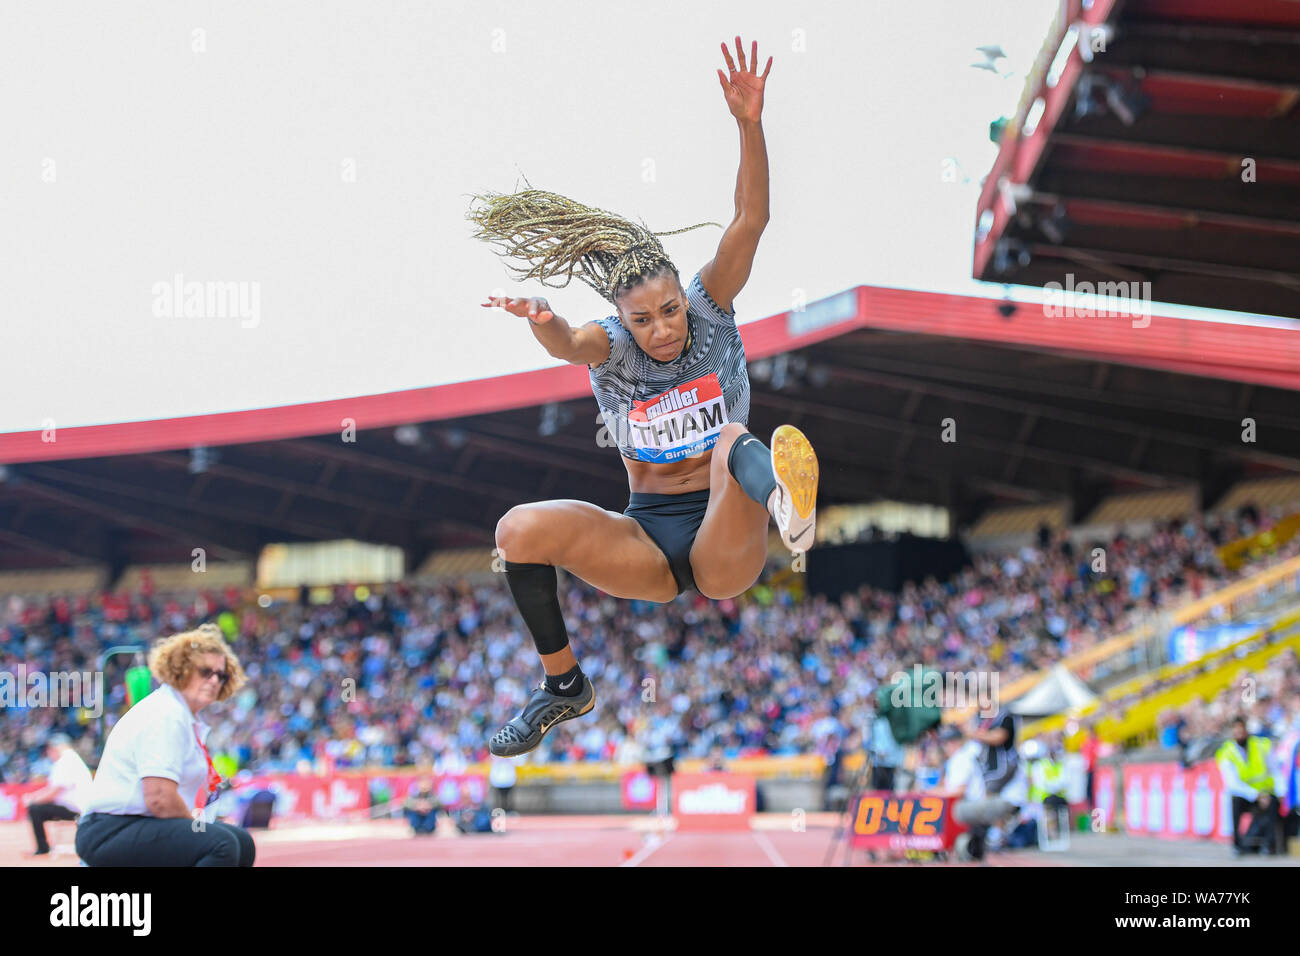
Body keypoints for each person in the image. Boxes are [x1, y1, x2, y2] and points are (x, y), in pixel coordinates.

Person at [470, 36, 819, 758]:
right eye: (644, 319)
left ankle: (786, 506)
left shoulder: (713, 309)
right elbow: (572, 346)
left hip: (725, 536)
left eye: (669, 311)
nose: (661, 329)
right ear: (622, 318)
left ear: (681, 298)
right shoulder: (611, 345)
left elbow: (748, 221)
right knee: (517, 531)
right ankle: (563, 685)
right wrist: (545, 323)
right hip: (646, 542)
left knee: (729, 437)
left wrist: (748, 123)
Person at [75, 624, 257, 867]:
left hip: (141, 825)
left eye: (220, 675)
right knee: (221, 843)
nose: (214, 680)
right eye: (205, 672)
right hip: (111, 829)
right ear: (181, 669)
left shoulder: (182, 716)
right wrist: (196, 828)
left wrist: (196, 829)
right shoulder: (166, 714)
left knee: (240, 841)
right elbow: (159, 798)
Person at [1216, 716, 1283, 856]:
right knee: (1235, 801)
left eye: (1242, 730)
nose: (1239, 733)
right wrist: (1257, 795)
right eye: (1236, 731)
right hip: (1247, 795)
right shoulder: (1226, 753)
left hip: (1265, 793)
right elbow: (1233, 784)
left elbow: (1275, 770)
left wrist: (1280, 792)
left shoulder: (1262, 745)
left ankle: (1269, 845)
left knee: (1273, 802)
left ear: (1246, 730)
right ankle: (1237, 845)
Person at [22, 734, 92, 856]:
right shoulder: (71, 759)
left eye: (50, 749)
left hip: (75, 808)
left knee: (35, 810)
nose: (48, 753)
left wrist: (32, 800)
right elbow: (53, 789)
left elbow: (54, 792)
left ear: (56, 748)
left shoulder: (65, 761)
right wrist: (34, 797)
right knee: (37, 807)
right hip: (78, 806)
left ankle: (42, 848)